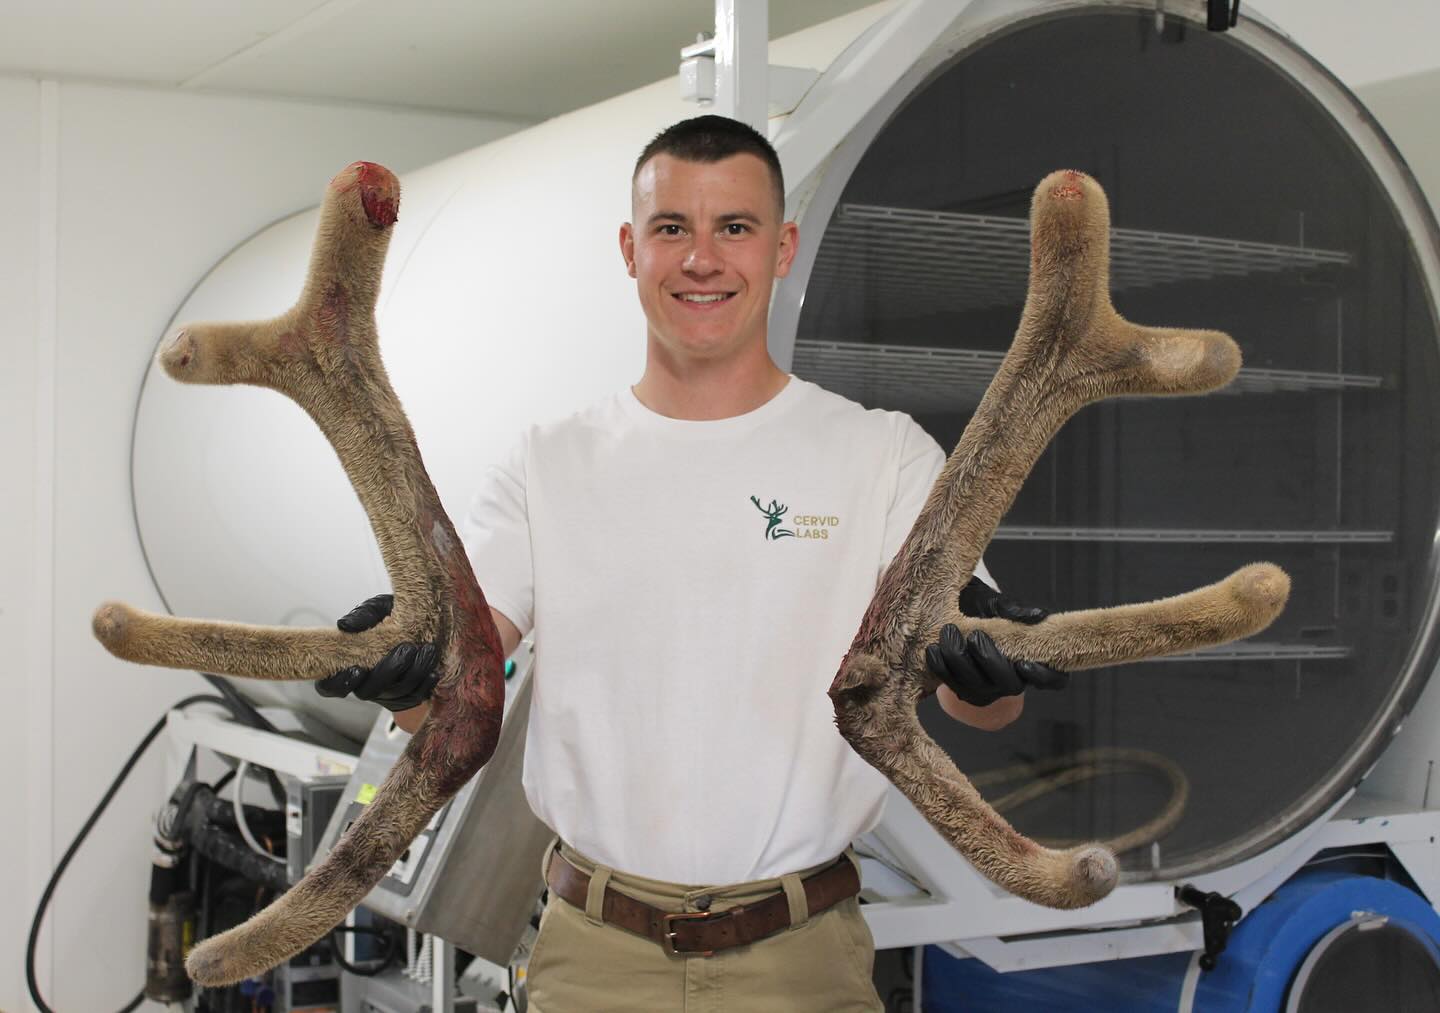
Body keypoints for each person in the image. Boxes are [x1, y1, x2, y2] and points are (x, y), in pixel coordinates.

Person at [318, 115, 1067, 1012]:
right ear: (631, 250)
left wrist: (986, 675)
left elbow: (981, 700)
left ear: (782, 247)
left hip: (803, 961)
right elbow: (451, 696)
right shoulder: (547, 463)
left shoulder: (883, 458)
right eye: (673, 228)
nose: (702, 259)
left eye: (735, 228)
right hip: (595, 961)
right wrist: (398, 675)